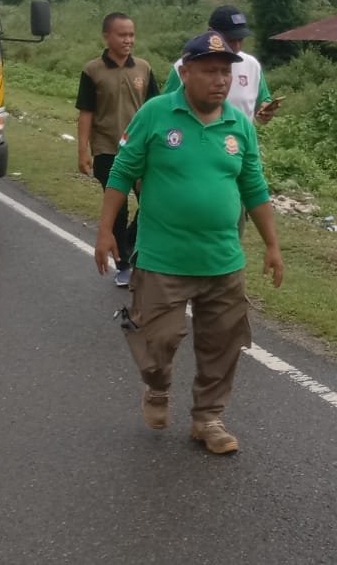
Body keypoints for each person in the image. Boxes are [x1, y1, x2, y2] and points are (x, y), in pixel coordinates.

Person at [94, 31, 284, 455]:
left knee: (223, 343)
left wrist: (272, 244)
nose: (220, 81)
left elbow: (254, 187)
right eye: (210, 71)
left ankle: (208, 418)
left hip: (223, 260)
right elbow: (122, 172)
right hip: (164, 258)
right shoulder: (156, 114)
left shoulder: (239, 125)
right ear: (185, 73)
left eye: (226, 73)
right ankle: (157, 386)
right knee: (157, 340)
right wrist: (106, 231)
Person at [76, 12, 158, 288]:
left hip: (142, 150)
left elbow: (156, 111)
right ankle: (124, 264)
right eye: (122, 35)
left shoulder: (144, 69)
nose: (128, 40)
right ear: (107, 36)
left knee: (151, 201)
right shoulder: (92, 70)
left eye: (132, 35)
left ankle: (133, 246)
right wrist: (82, 151)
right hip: (107, 149)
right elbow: (86, 113)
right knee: (118, 208)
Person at [166, 6, 280, 126]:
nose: (236, 46)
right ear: (210, 32)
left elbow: (262, 101)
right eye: (230, 40)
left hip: (238, 142)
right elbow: (166, 109)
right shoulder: (186, 66)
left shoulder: (252, 65)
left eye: (240, 40)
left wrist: (265, 111)